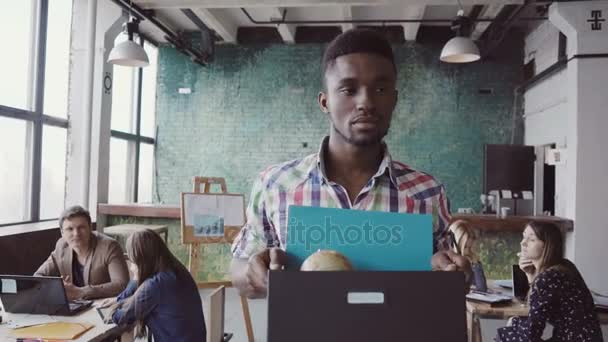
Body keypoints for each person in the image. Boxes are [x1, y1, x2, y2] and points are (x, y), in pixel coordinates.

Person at [230, 28, 471, 299]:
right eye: (348, 89)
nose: (366, 102)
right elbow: (240, 268)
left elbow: (449, 269)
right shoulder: (275, 185)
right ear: (325, 101)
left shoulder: (427, 192)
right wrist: (253, 273)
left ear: (394, 99)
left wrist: (454, 273)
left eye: (380, 89)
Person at [495, 221, 603, 342]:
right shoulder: (565, 266)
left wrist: (513, 321)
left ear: (546, 245)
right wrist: (530, 273)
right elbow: (540, 303)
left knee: (505, 335)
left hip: (571, 338)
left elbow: (531, 333)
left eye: (531, 239)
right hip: (586, 338)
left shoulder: (549, 277)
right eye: (524, 236)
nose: (523, 243)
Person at [100, 229, 207, 341]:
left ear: (142, 261)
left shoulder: (155, 285)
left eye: (133, 262)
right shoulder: (175, 269)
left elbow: (122, 317)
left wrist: (112, 309)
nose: (131, 267)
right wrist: (118, 299)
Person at [35, 205, 129, 300]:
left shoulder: (109, 246)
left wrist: (80, 292)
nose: (76, 234)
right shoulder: (62, 245)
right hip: (75, 305)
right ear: (62, 232)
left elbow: (121, 285)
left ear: (90, 227)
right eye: (70, 229)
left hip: (103, 305)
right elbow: (38, 277)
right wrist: (58, 288)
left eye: (81, 228)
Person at [449, 220, 487, 292]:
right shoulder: (447, 262)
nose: (468, 251)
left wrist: (476, 262)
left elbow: (482, 288)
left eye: (470, 247)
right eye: (465, 247)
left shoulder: (467, 264)